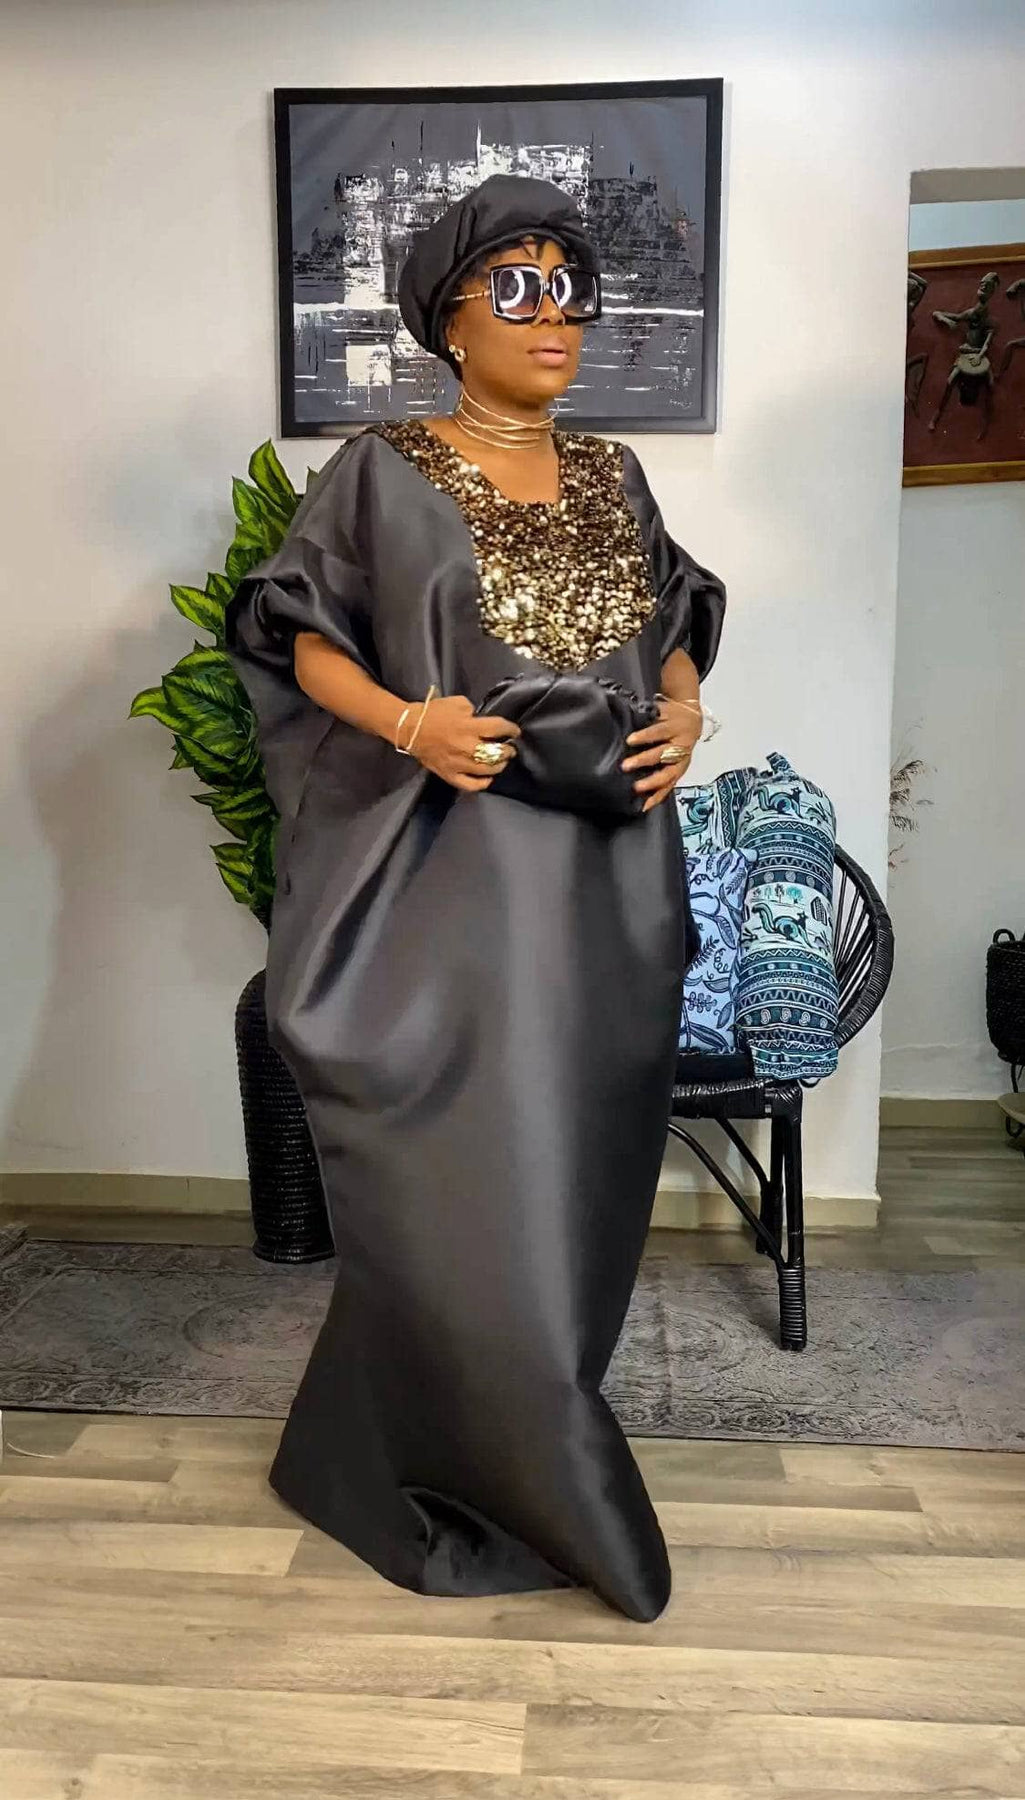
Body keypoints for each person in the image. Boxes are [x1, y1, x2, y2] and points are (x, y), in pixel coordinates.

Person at [224, 172, 726, 1624]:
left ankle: (404, 1434)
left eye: (570, 289)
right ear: (448, 318)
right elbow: (299, 634)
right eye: (516, 287)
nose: (553, 316)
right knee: (469, 1182)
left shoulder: (615, 475)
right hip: (451, 879)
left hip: (606, 882)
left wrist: (685, 710)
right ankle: (530, 1471)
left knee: (577, 1173)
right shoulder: (378, 471)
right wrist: (410, 724)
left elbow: (672, 617)